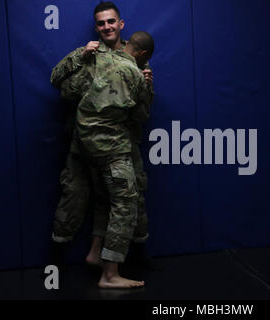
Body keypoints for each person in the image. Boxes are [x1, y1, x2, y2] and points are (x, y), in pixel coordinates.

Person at [50, 1, 154, 289]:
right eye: (101, 23)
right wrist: (82, 60)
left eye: (111, 22)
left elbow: (141, 114)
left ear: (121, 25)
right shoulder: (89, 53)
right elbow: (59, 84)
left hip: (121, 142)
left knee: (126, 198)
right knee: (75, 194)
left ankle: (125, 258)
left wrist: (147, 87)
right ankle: (59, 256)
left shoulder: (136, 60)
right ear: (96, 27)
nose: (106, 27)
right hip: (84, 142)